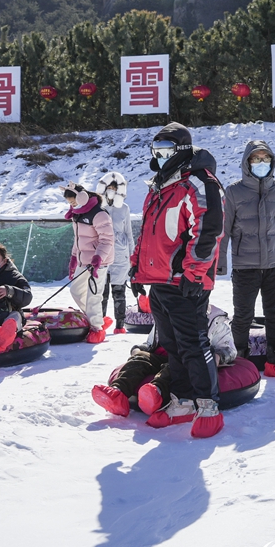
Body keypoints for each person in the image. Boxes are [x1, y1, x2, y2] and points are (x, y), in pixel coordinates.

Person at [130, 122, 225, 438]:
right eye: (156, 150)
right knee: (171, 344)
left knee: (193, 344)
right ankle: (183, 400)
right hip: (158, 281)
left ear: (182, 150)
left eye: (167, 150)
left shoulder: (197, 184)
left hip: (185, 281)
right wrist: (135, 268)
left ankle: (208, 404)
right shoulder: (157, 187)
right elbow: (146, 235)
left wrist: (194, 272)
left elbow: (208, 229)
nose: (160, 156)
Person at [217, 139, 275, 379]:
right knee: (243, 315)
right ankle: (240, 363)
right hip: (245, 266)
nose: (261, 162)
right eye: (256, 158)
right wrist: (220, 263)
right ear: (247, 162)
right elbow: (224, 230)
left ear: (272, 162)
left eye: (265, 158)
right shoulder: (233, 191)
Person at [91, 306, 236, 419]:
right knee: (140, 359)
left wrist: (218, 357)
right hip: (159, 354)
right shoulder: (167, 313)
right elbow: (151, 342)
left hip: (184, 358)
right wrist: (139, 350)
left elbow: (228, 349)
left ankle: (155, 392)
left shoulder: (215, 319)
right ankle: (118, 393)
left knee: (173, 367)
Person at [63, 182, 115, 343]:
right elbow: (78, 239)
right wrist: (73, 258)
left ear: (82, 197)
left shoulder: (99, 214)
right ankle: (97, 317)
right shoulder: (77, 214)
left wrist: (98, 258)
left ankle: (97, 328)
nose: (72, 205)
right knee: (76, 291)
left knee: (94, 295)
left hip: (99, 261)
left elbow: (107, 239)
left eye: (73, 201)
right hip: (83, 260)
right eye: (69, 203)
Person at [95, 171, 135, 335]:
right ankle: (101, 324)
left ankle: (120, 325)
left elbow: (129, 233)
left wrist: (132, 257)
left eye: (114, 187)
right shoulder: (99, 208)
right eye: (109, 187)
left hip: (120, 254)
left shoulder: (124, 209)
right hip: (103, 253)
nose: (111, 190)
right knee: (101, 293)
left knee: (119, 292)